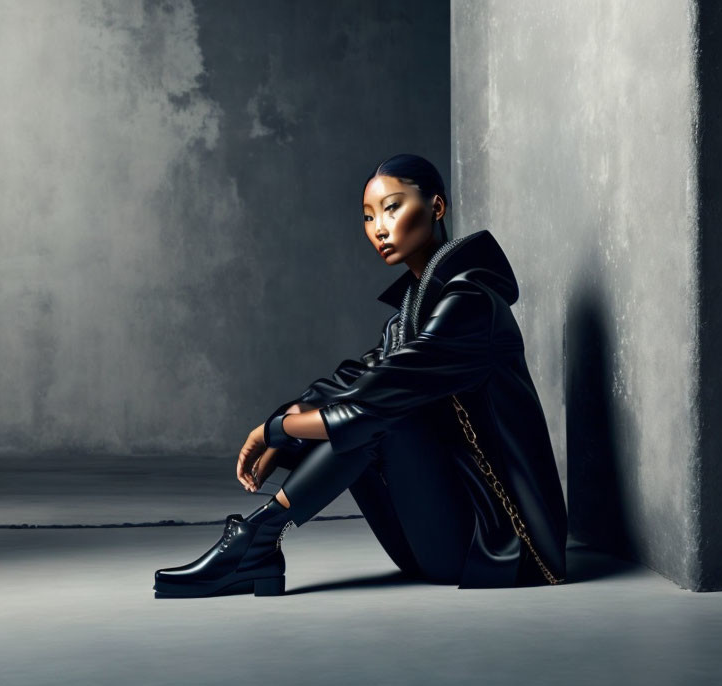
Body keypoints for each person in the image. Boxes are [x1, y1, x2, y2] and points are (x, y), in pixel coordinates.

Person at [153, 153, 568, 598]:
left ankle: (259, 537)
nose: (379, 228)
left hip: (502, 547)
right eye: (369, 217)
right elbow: (357, 379)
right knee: (361, 407)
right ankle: (259, 545)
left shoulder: (470, 305)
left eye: (392, 208)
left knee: (380, 415)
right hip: (428, 544)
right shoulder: (410, 315)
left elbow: (375, 399)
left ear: (436, 207)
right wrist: (285, 420)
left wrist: (277, 429)